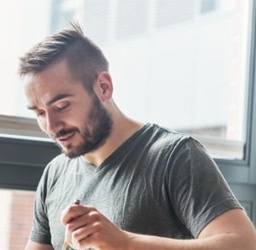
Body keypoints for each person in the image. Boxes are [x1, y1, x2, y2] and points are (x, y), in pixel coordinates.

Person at [19, 23, 256, 250]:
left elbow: (244, 245)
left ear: (103, 87)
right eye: (39, 113)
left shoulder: (175, 156)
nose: (51, 125)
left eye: (61, 106)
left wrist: (126, 244)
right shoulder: (55, 174)